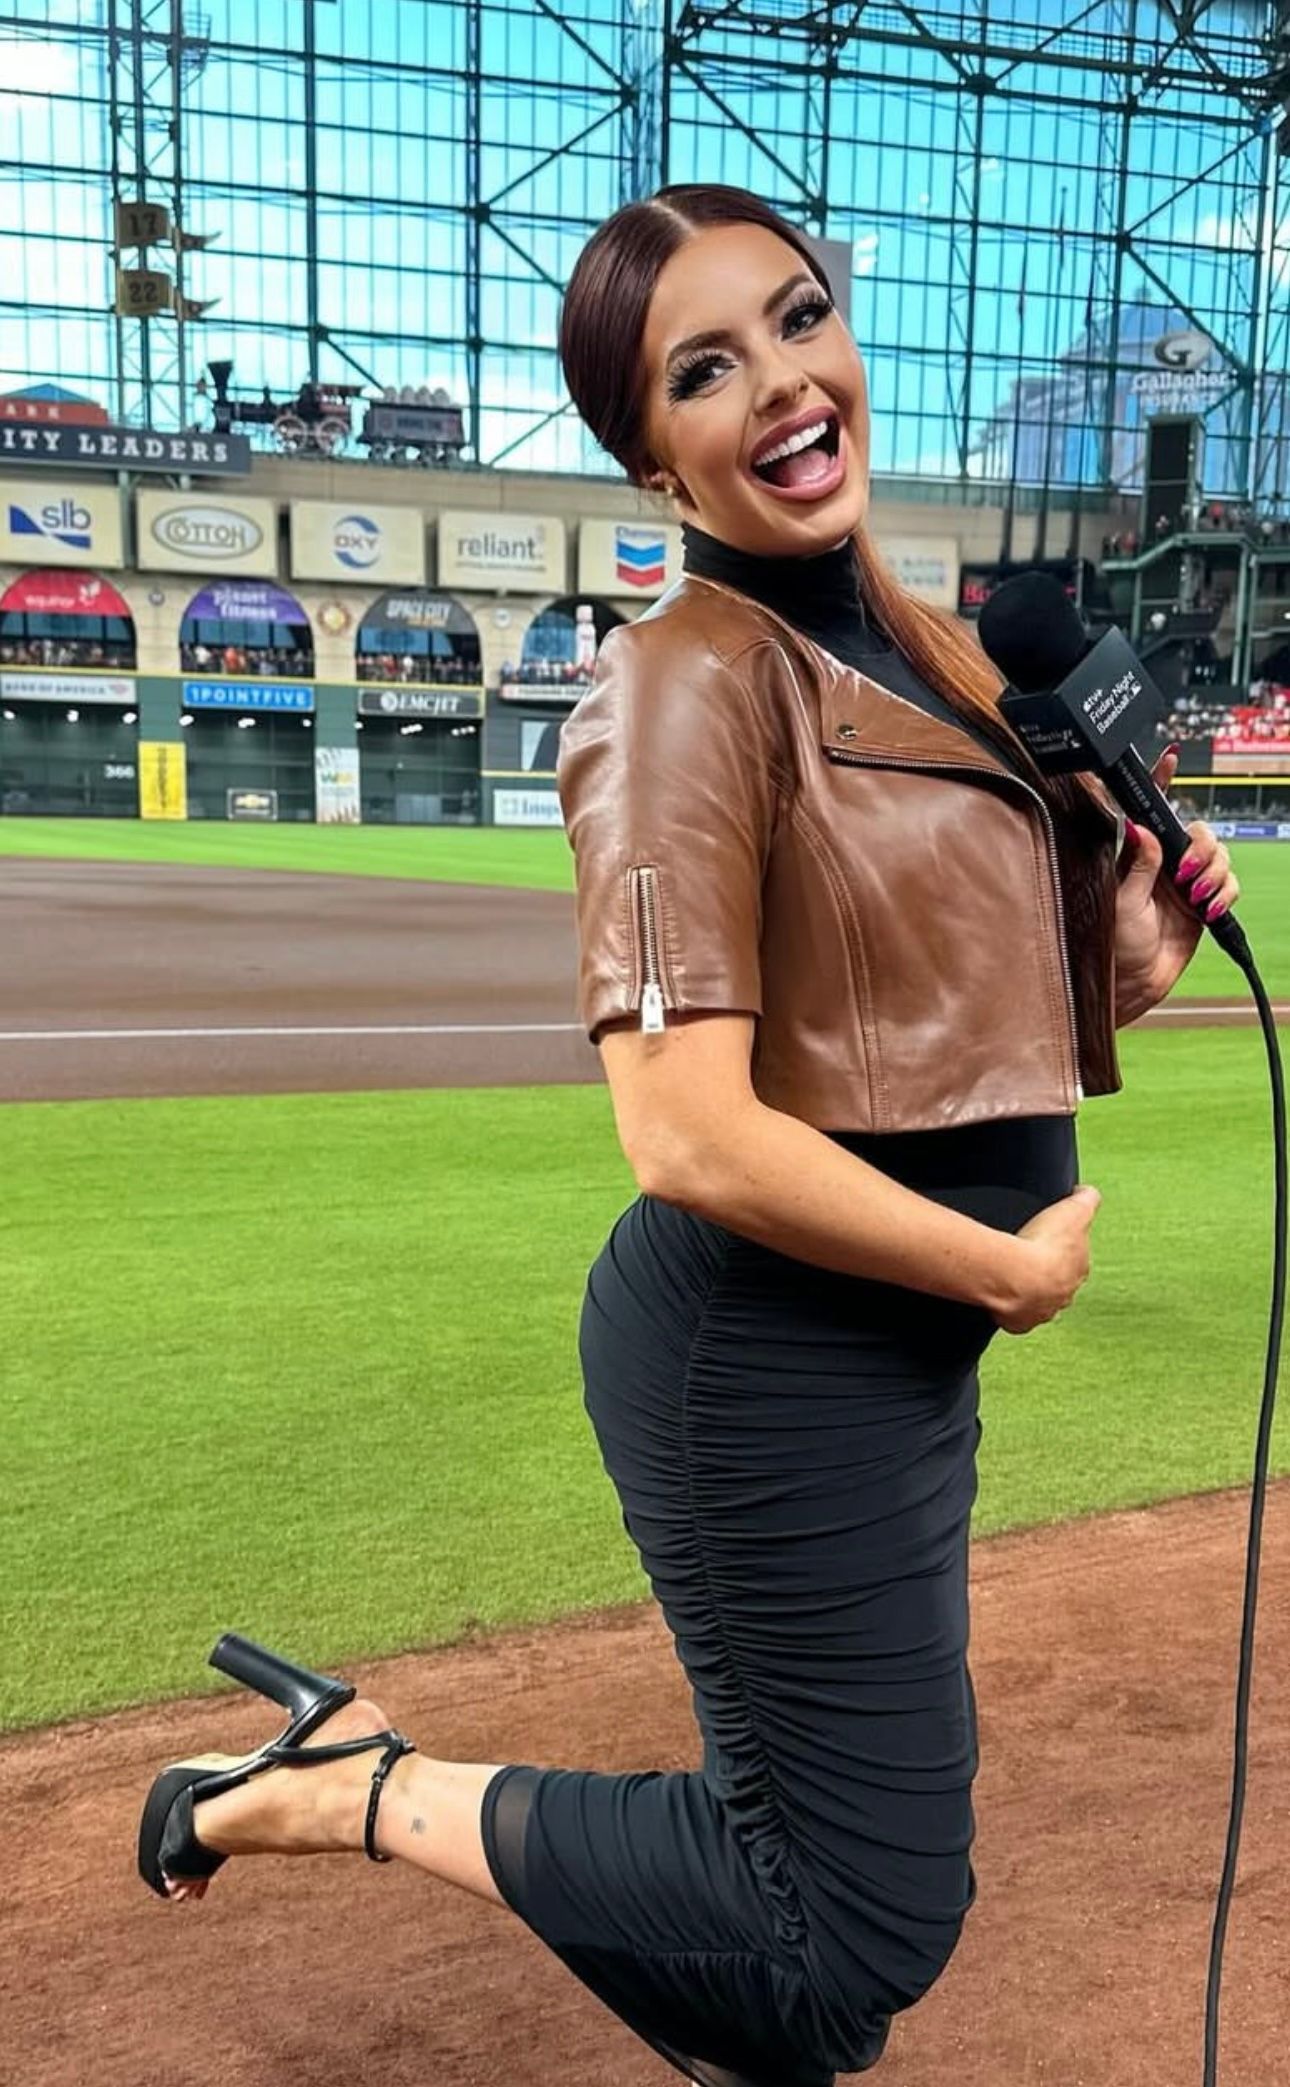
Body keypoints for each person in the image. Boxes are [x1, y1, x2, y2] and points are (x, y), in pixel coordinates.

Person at [136, 185, 1239, 2087]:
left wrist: (1114, 974)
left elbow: (894, 1035)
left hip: (889, 1356)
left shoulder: (932, 653)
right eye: (704, 370)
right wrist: (1000, 1270)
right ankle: (345, 1784)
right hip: (764, 1359)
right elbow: (687, 1135)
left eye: (798, 319)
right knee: (857, 1926)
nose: (784, 384)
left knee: (821, 1945)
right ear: (650, 454)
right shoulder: (676, 686)